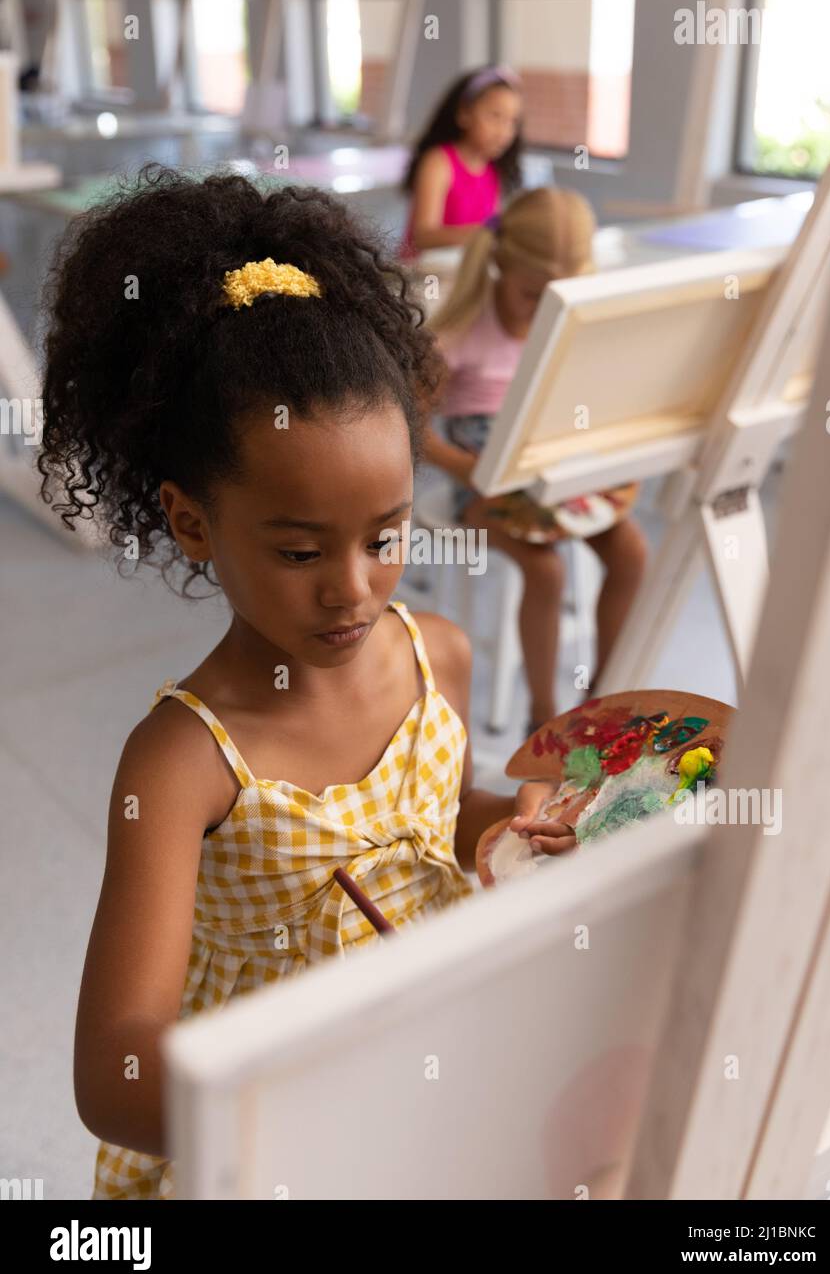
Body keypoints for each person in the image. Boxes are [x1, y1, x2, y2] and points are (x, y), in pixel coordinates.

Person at [37, 166, 574, 1199]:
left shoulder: (438, 658)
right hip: (273, 1145)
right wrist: (327, 1085)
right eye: (297, 553)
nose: (353, 589)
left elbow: (444, 819)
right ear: (194, 524)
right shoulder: (185, 760)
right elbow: (116, 1072)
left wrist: (515, 820)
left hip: (429, 1087)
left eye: (385, 537)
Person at [423, 187, 648, 732]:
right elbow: (407, 426)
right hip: (480, 485)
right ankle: (542, 715)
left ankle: (601, 696)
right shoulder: (462, 330)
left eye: (557, 298)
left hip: (552, 467)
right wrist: (466, 469)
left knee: (632, 552)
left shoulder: (567, 323)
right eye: (530, 296)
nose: (543, 310)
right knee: (545, 572)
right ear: (500, 265)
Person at [400, 65, 523, 258]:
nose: (504, 131)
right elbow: (423, 236)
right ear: (464, 114)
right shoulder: (438, 162)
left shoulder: (494, 170)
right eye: (495, 116)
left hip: (459, 271)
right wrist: (486, 233)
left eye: (512, 121)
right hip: (423, 275)